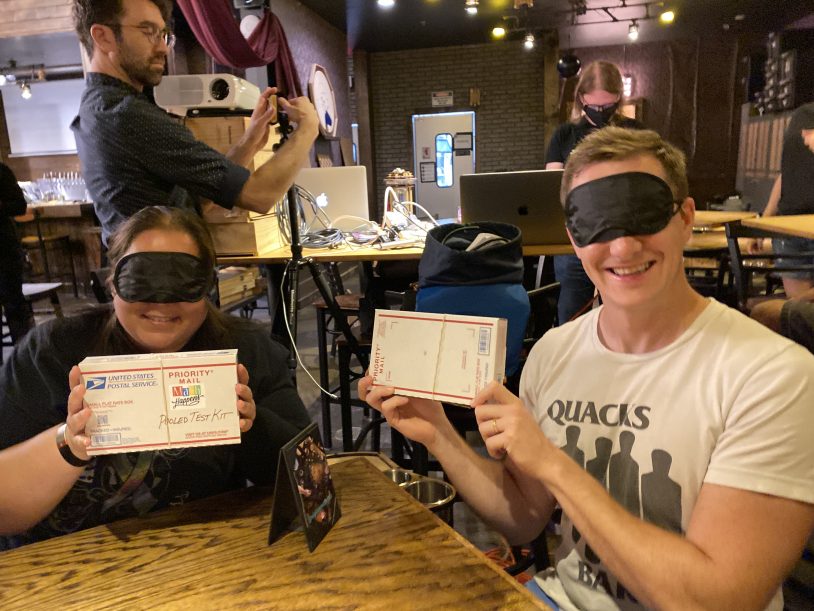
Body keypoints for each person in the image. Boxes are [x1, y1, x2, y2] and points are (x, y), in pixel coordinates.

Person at [360, 128, 814, 610]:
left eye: (643, 216)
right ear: (573, 239)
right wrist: (439, 433)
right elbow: (524, 517)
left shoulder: (774, 376)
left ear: (685, 218)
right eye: (596, 224)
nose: (622, 248)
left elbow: (717, 602)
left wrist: (554, 464)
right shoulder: (554, 354)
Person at [0, 206, 311, 549]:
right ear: (112, 284)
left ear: (207, 287)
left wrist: (252, 424)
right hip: (64, 560)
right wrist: (69, 444)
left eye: (183, 281)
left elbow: (309, 475)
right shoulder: (52, 352)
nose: (162, 303)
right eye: (141, 280)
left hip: (200, 552)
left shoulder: (245, 350)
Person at [70, 0, 319, 245]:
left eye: (164, 35)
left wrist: (250, 141)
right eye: (148, 32)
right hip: (163, 270)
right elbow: (259, 195)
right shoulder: (127, 115)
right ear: (103, 37)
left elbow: (196, 200)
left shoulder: (97, 107)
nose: (163, 48)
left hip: (152, 268)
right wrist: (308, 128)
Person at [545, 60, 643, 325]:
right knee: (571, 315)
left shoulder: (636, 133)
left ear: (619, 99)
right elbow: (553, 185)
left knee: (626, 314)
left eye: (608, 106)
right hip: (577, 238)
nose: (601, 113)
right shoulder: (565, 135)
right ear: (581, 98)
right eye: (595, 107)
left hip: (623, 235)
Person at [747, 102, 814, 298]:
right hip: (789, 230)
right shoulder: (802, 114)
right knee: (798, 309)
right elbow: (787, 174)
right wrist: (765, 220)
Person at [0, 162, 35, 344]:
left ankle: (24, 353)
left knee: (14, 304)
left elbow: (20, 206)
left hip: (4, 249)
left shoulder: (1, 171)